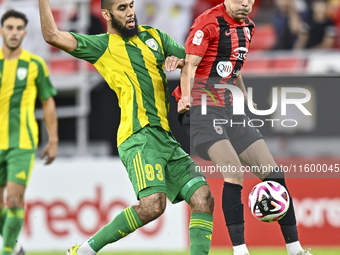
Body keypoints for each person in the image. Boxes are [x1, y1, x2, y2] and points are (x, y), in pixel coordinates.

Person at [37, 0, 214, 254]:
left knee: (203, 198)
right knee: (153, 205)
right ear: (106, 14)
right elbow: (52, 35)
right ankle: (85, 250)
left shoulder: (155, 36)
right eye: (122, 8)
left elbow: (193, 60)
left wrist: (182, 62)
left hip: (165, 138)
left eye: (131, 5)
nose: (130, 12)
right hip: (138, 137)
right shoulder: (102, 46)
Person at [174, 0, 312, 255]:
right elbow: (190, 63)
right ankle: (240, 251)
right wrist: (185, 96)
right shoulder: (208, 22)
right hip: (201, 108)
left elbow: (234, 69)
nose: (246, 4)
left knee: (274, 174)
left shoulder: (248, 27)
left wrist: (245, 98)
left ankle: (296, 250)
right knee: (234, 171)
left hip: (229, 108)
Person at [0, 9, 58, 255]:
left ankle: (6, 250)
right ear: (2, 30)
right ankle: (16, 249)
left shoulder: (35, 64)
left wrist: (53, 139)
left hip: (22, 142)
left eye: (18, 28)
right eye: (9, 27)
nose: (14, 33)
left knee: (13, 199)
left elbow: (47, 102)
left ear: (25, 32)